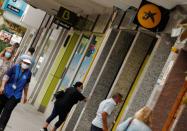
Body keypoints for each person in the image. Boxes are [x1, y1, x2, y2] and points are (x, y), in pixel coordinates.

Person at [0, 58, 32, 131]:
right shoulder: (14, 67)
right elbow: (6, 77)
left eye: (28, 64)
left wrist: (25, 96)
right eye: (25, 63)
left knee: (8, 110)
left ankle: (1, 126)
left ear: (29, 65)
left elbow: (26, 85)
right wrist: (2, 86)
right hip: (6, 91)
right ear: (21, 62)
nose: (26, 65)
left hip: (16, 95)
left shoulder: (29, 73)